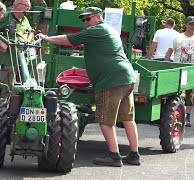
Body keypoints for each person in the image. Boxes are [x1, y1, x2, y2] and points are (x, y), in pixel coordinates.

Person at [38, 7, 140, 167]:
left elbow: (69, 40)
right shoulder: (108, 30)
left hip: (110, 80)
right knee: (128, 118)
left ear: (98, 17)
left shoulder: (97, 30)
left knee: (105, 120)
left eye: (88, 19)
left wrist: (46, 38)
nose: (85, 22)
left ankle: (114, 156)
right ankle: (134, 154)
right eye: (83, 20)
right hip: (126, 78)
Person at [0, 0, 34, 99]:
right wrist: (1, 43)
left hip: (24, 60)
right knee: (7, 87)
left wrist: (28, 41)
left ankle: (19, 109)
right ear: (17, 6)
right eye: (26, 6)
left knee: (23, 86)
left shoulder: (25, 19)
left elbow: (31, 32)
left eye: (29, 6)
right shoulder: (6, 17)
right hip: (9, 59)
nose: (28, 9)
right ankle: (2, 109)